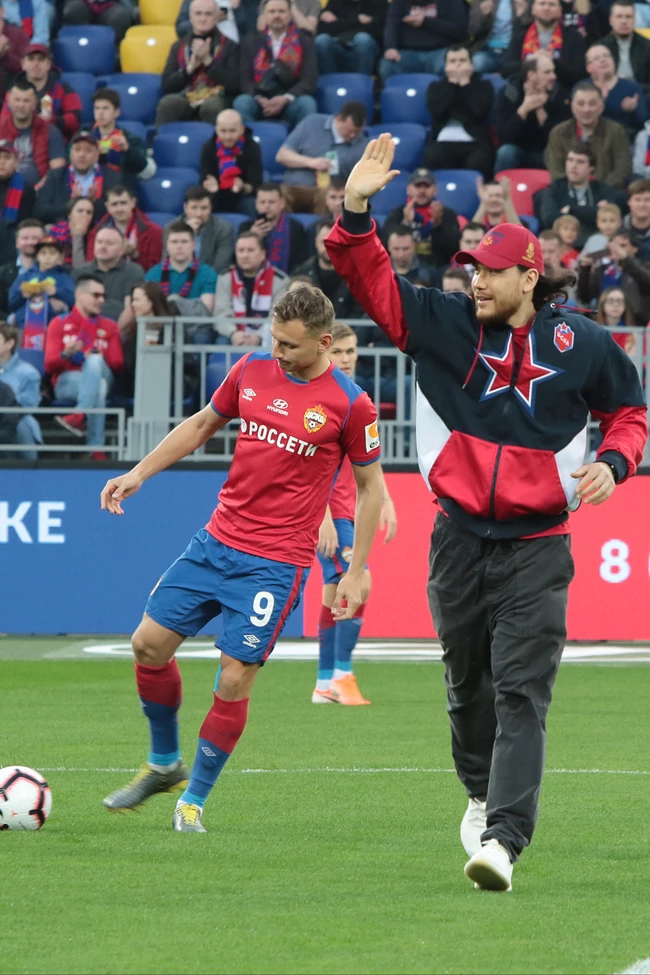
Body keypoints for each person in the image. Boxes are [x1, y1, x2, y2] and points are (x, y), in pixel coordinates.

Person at [326, 133, 647, 892]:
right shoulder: (442, 323)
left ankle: (503, 839)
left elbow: (631, 411)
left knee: (521, 693)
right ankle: (478, 792)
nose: (475, 280)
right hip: (458, 539)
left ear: (529, 276)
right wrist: (356, 210)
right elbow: (372, 280)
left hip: (540, 545)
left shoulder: (582, 342)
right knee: (467, 688)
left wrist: (614, 461)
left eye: (491, 271)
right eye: (472, 268)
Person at [99, 284, 384, 832]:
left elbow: (371, 489)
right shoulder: (251, 369)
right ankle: (164, 764)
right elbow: (202, 424)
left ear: (324, 342)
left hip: (274, 563)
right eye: (274, 340)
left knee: (233, 679)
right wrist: (138, 473)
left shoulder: (351, 404)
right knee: (147, 645)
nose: (278, 352)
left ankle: (193, 801)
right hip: (216, 541)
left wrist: (355, 571)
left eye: (290, 345)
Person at [314, 321, 397, 707]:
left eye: (350, 352)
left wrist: (386, 499)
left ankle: (324, 682)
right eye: (338, 352)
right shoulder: (318, 401)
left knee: (334, 593)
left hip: (350, 509)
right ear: (323, 350)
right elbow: (309, 466)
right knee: (359, 581)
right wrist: (324, 518)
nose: (345, 359)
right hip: (331, 515)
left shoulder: (356, 397)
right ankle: (342, 676)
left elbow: (368, 463)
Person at [46, 274, 123, 455]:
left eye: (103, 296)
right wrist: (66, 354)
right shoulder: (59, 323)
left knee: (94, 361)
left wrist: (101, 355)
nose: (101, 300)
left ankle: (80, 414)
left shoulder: (109, 325)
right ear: (79, 294)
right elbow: (49, 366)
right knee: (99, 388)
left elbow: (118, 364)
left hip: (102, 373)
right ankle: (96, 449)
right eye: (96, 295)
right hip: (67, 382)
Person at [234, 0, 318, 129]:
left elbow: (309, 80)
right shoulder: (251, 41)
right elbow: (245, 79)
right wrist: (259, 98)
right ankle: (252, 139)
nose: (276, 15)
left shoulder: (304, 40)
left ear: (290, 15)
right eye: (272, 12)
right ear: (264, 16)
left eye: (281, 11)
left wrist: (285, 98)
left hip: (290, 100)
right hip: (260, 101)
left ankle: (300, 141)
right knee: (242, 102)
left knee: (307, 103)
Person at [158, 0, 239, 128]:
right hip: (186, 97)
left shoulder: (230, 46)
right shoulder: (178, 46)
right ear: (190, 18)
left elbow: (234, 85)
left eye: (208, 14)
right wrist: (189, 69)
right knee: (168, 103)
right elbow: (166, 85)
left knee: (212, 106)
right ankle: (162, 140)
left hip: (217, 98)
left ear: (216, 17)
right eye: (198, 14)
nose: (203, 19)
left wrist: (208, 62)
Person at [275, 101, 369, 212]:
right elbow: (282, 155)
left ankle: (325, 222)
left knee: (331, 197)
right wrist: (311, 162)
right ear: (339, 119)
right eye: (349, 131)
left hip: (328, 192)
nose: (353, 135)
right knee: (278, 195)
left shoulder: (361, 144)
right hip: (294, 186)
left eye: (357, 132)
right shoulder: (312, 123)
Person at [423, 45, 494, 180]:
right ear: (445, 66)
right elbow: (437, 111)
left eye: (462, 61)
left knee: (480, 162)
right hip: (442, 142)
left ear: (471, 64)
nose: (458, 65)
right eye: (452, 61)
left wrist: (465, 84)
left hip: (475, 143)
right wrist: (452, 85)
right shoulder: (436, 87)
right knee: (432, 157)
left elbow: (478, 110)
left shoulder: (484, 85)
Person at [545, 81, 631, 188]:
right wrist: (574, 192)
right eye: (581, 104)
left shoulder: (616, 131)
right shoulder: (558, 133)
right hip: (567, 192)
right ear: (572, 108)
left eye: (592, 104)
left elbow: (622, 169)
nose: (586, 109)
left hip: (606, 191)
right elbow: (556, 171)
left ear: (601, 107)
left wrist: (599, 191)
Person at [494, 53, 571, 172]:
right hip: (519, 150)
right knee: (506, 152)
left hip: (546, 151)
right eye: (547, 72)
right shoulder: (509, 93)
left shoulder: (559, 94)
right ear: (531, 75)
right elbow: (503, 137)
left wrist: (540, 110)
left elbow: (562, 139)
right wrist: (524, 109)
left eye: (553, 71)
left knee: (553, 153)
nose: (554, 76)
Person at [213, 231, 289, 344]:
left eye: (251, 250)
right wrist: (233, 334)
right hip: (232, 336)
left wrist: (259, 336)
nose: (245, 255)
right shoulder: (225, 278)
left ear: (263, 254)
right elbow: (221, 313)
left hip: (267, 336)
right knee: (221, 342)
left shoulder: (279, 280)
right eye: (241, 251)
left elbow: (277, 316)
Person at [34, 129, 122, 224]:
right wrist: (71, 204)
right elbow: (40, 211)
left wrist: (94, 202)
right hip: (62, 228)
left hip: (99, 229)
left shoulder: (112, 176)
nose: (82, 155)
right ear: (70, 153)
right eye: (77, 149)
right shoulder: (55, 175)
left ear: (97, 155)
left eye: (88, 150)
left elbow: (118, 210)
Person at [539, 143, 619, 245]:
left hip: (596, 243)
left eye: (580, 162)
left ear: (591, 168)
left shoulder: (603, 190)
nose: (573, 166)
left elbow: (608, 216)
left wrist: (571, 210)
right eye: (570, 160)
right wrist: (591, 211)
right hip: (563, 245)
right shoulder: (554, 189)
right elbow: (549, 219)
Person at [2, 43, 81, 141]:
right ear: (23, 64)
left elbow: (76, 118)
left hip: (54, 140)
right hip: (18, 141)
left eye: (41, 59)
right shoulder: (14, 90)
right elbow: (4, 120)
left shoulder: (63, 88)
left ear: (49, 64)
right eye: (31, 59)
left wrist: (53, 120)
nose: (36, 64)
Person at [500, 0, 586, 89]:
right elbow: (505, 69)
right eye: (542, 3)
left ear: (560, 11)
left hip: (561, 90)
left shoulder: (574, 37)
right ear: (533, 9)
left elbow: (579, 73)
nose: (546, 8)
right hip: (524, 89)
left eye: (552, 4)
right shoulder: (520, 35)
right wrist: (530, 61)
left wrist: (552, 62)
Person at [383, 169, 460, 268]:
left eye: (427, 186)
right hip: (405, 269)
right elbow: (385, 245)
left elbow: (454, 249)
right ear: (408, 189)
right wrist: (405, 223)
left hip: (437, 269)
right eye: (418, 186)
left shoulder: (446, 214)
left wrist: (437, 225)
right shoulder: (398, 213)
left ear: (435, 189)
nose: (422, 191)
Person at [293, 217, 366, 316]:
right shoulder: (301, 273)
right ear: (315, 242)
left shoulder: (357, 276)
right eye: (324, 242)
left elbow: (360, 313)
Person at [0, 79, 65, 189]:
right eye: (17, 100)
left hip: (39, 192)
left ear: (35, 103)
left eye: (26, 101)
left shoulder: (50, 130)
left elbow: (57, 167)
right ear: (9, 101)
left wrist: (38, 189)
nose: (21, 105)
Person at [379, 0, 468, 80]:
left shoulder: (453, 2)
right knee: (387, 66)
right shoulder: (399, 2)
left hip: (441, 51)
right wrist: (390, 47)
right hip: (407, 52)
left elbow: (460, 31)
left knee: (455, 66)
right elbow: (391, 24)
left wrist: (426, 22)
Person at [577, 229, 650, 326]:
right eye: (613, 246)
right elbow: (584, 297)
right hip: (603, 323)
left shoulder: (645, 266)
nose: (617, 250)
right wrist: (585, 270)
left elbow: (647, 281)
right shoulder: (601, 270)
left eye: (622, 246)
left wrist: (626, 259)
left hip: (636, 324)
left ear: (634, 249)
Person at [9, 234, 74, 342]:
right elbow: (11, 303)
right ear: (37, 256)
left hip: (52, 328)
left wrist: (56, 292)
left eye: (52, 253)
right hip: (24, 327)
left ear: (59, 256)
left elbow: (73, 300)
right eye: (43, 253)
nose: (47, 257)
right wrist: (22, 295)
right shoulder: (25, 276)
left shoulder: (64, 277)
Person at [200, 108, 262, 217]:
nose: (227, 136)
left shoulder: (252, 147)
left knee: (253, 205)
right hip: (217, 194)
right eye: (223, 131)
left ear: (241, 130)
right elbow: (203, 180)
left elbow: (256, 184)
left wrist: (243, 187)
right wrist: (210, 187)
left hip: (243, 196)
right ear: (216, 130)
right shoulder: (208, 148)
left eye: (232, 131)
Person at [74, 225, 144, 322]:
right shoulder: (80, 272)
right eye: (99, 242)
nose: (102, 247)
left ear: (122, 250)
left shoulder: (134, 271)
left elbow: (131, 310)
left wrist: (112, 330)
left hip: (120, 327)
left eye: (109, 243)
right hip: (84, 327)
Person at [87, 185, 162, 274]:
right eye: (114, 204)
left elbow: (154, 271)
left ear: (133, 203)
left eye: (123, 203)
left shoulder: (153, 232)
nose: (119, 209)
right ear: (107, 207)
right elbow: (92, 266)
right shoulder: (96, 233)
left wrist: (135, 255)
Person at [146, 220, 217, 314]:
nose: (179, 246)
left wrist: (175, 302)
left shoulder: (208, 273)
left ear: (193, 245)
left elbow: (205, 312)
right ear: (166, 245)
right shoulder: (153, 274)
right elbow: (149, 310)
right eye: (174, 242)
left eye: (184, 242)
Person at [165, 186, 234, 275]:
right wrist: (187, 233)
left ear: (211, 208)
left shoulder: (223, 228)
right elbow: (167, 261)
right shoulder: (170, 228)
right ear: (185, 208)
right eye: (194, 208)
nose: (199, 214)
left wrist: (201, 280)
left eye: (204, 208)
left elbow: (221, 264)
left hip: (212, 278)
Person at [241, 182, 306, 274]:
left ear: (282, 203)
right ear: (256, 205)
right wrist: (252, 237)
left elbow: (301, 263)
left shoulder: (295, 228)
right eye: (262, 202)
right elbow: (240, 261)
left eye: (271, 202)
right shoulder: (245, 227)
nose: (266, 206)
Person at [91, 89, 153, 186]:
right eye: (97, 108)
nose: (100, 112)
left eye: (105, 108)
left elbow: (145, 170)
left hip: (120, 188)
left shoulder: (129, 138)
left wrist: (128, 150)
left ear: (116, 112)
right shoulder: (84, 137)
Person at [0, 320, 41, 459]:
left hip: (15, 418)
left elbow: (29, 403)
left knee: (23, 423)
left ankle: (28, 467)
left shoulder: (28, 372)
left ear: (9, 343)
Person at [585, 43, 646, 132]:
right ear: (588, 67)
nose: (603, 60)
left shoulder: (631, 87)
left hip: (625, 136)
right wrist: (600, 101)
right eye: (597, 58)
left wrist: (633, 110)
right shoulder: (582, 89)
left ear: (613, 61)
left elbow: (643, 122)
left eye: (606, 56)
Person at [314, 0, 384, 76]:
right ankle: (330, 81)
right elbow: (322, 28)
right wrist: (357, 20)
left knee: (362, 39)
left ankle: (361, 81)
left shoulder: (378, 2)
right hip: (339, 48)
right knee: (321, 40)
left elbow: (378, 30)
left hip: (368, 53)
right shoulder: (335, 2)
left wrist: (338, 22)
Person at [0, 139, 36, 266]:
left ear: (16, 162)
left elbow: (23, 224)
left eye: (7, 157)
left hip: (10, 244)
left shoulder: (26, 189)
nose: (2, 162)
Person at [602, 0, 650, 92]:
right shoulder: (601, 47)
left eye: (628, 17)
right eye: (619, 16)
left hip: (642, 94)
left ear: (634, 20)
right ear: (611, 20)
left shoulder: (647, 46)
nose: (624, 21)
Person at [0, 216, 42, 317]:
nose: (30, 242)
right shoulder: (2, 273)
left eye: (36, 238)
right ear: (17, 243)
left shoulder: (58, 271)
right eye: (25, 238)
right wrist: (10, 320)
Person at [467, 0, 516, 74]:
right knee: (476, 63)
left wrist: (521, 15)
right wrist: (483, 16)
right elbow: (472, 31)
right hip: (488, 50)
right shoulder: (480, 1)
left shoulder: (522, 2)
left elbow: (527, 28)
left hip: (512, 52)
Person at [49, 196, 94, 268]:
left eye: (89, 212)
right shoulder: (57, 229)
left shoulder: (96, 234)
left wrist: (78, 237)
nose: (84, 215)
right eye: (80, 211)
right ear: (69, 214)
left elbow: (80, 268)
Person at [62, 0, 135, 44]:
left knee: (120, 16)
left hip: (112, 3)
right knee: (74, 11)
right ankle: (75, 49)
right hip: (82, 2)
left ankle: (112, 53)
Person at [595, 286, 636, 356]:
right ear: (603, 305)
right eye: (611, 301)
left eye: (619, 301)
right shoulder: (593, 330)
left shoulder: (634, 334)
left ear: (625, 306)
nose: (615, 305)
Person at [0, 3, 29, 97]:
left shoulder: (18, 34)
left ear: (2, 11)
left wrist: (5, 54)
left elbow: (25, 66)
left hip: (14, 93)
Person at [622, 178, 650, 259]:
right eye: (637, 200)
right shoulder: (618, 227)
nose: (642, 205)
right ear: (629, 202)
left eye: (647, 200)